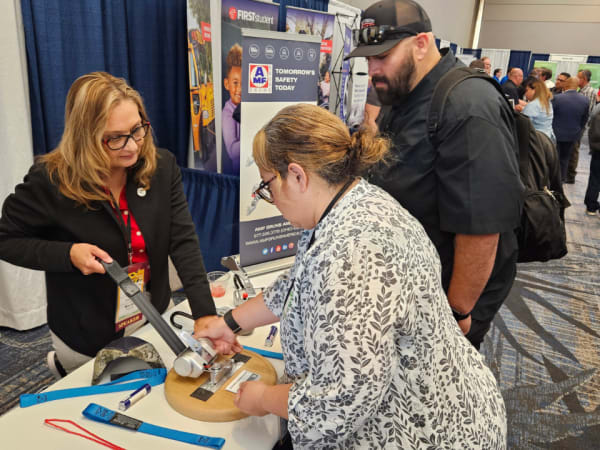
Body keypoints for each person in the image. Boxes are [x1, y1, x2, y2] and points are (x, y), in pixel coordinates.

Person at [198, 103, 507, 449]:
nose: (270, 198)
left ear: (298, 176)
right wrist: (230, 323)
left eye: (268, 185)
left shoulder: (350, 255)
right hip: (444, 400)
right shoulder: (350, 201)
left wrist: (263, 398)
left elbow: (339, 401)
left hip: (426, 431)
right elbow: (296, 285)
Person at [0, 72, 216, 375]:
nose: (132, 145)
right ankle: (61, 366)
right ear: (85, 137)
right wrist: (68, 254)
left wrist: (204, 313)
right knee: (98, 397)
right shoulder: (50, 180)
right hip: (85, 330)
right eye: (115, 137)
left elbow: (183, 241)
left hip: (150, 312)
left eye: (137, 129)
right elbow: (6, 239)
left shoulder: (162, 166)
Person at [346, 0, 523, 350]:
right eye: (368, 58)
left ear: (422, 44)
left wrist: (455, 312)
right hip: (411, 283)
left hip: (449, 297)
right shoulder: (404, 91)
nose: (374, 68)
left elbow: (482, 230)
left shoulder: (468, 107)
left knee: (436, 391)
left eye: (383, 56)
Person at [552, 77, 590, 182]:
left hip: (556, 133)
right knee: (565, 158)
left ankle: (553, 179)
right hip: (573, 134)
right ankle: (562, 178)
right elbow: (585, 119)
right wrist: (578, 130)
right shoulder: (585, 100)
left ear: (566, 84)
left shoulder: (557, 98)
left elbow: (551, 115)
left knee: (554, 158)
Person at [222, 43, 242, 175]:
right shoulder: (228, 112)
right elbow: (232, 152)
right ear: (226, 84)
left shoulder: (245, 106)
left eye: (243, 83)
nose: (239, 89)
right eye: (235, 83)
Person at [585, 107, 600, 215]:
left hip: (598, 152)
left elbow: (593, 134)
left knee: (595, 178)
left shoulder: (598, 115)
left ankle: (591, 207)